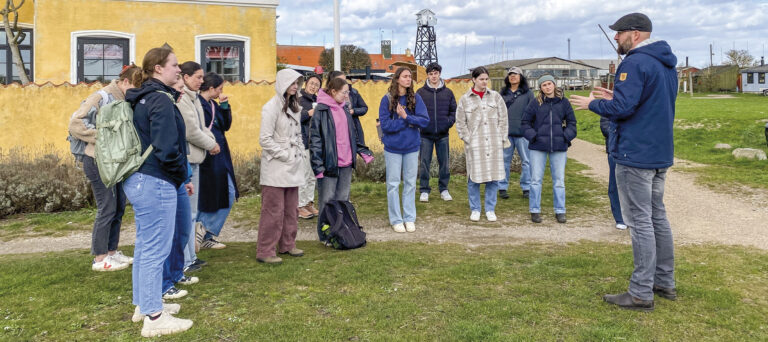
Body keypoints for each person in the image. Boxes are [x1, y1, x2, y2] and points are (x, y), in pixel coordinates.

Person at [570, 13, 678, 311]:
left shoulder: (634, 62)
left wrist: (593, 103)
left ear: (637, 34)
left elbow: (622, 109)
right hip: (659, 152)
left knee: (640, 221)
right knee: (657, 217)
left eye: (620, 33)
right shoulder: (666, 64)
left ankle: (641, 291)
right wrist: (616, 93)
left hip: (635, 153)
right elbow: (645, 102)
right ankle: (664, 281)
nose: (616, 37)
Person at [123, 46, 194, 337]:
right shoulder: (161, 100)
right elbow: (168, 149)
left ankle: (144, 305)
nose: (179, 70)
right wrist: (180, 176)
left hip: (140, 179)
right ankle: (154, 318)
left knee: (144, 247)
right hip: (157, 181)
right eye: (174, 65)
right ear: (158, 69)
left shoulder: (142, 98)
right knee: (155, 250)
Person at [69, 64, 141, 272]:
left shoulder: (124, 98)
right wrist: (104, 137)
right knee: (107, 207)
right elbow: (76, 123)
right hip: (97, 161)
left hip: (115, 163)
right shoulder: (100, 97)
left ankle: (112, 251)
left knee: (118, 206)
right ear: (125, 81)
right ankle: (99, 258)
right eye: (134, 87)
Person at [310, 77, 374, 241]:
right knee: (327, 201)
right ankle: (324, 235)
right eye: (344, 92)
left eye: (348, 93)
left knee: (343, 200)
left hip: (346, 164)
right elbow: (315, 140)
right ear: (333, 92)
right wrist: (317, 167)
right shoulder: (321, 110)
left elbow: (352, 134)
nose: (347, 96)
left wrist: (362, 151)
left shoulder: (345, 109)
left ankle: (341, 232)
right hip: (329, 165)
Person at [257, 69, 306, 264]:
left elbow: (298, 135)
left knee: (291, 208)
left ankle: (287, 244)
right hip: (276, 166)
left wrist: (299, 152)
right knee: (273, 210)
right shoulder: (271, 107)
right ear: (283, 83)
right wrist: (284, 154)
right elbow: (265, 139)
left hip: (292, 164)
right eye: (292, 82)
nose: (295, 86)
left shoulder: (295, 106)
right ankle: (265, 250)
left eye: (297, 83)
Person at [177, 61, 219, 274]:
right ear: (185, 77)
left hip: (196, 159)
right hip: (189, 159)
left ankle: (191, 256)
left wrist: (211, 139)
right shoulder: (183, 99)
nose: (202, 81)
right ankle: (186, 259)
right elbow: (191, 131)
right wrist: (211, 144)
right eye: (198, 77)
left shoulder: (192, 98)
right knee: (189, 213)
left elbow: (202, 127)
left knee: (192, 213)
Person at [379, 67, 430, 233]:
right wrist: (405, 121)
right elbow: (386, 126)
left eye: (410, 77)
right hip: (393, 149)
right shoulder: (386, 99)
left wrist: (407, 117)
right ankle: (396, 219)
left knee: (409, 184)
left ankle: (409, 218)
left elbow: (424, 121)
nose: (409, 79)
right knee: (393, 184)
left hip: (412, 147)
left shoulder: (416, 99)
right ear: (397, 79)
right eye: (405, 76)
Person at [455, 66, 509, 222]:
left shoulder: (496, 97)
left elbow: (503, 118)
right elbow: (460, 122)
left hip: (493, 143)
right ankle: (475, 209)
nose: (484, 82)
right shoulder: (465, 99)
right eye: (481, 79)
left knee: (493, 178)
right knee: (474, 178)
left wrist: (501, 137)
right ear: (474, 79)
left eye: (486, 79)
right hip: (475, 145)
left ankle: (490, 209)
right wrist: (468, 139)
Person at [521, 75, 577, 224]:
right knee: (535, 180)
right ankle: (535, 210)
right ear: (540, 88)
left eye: (549, 84)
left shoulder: (564, 103)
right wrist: (533, 136)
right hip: (538, 147)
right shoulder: (535, 103)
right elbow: (525, 123)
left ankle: (560, 210)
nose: (547, 87)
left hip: (559, 147)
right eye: (544, 85)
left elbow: (572, 123)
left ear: (554, 85)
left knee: (559, 180)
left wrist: (565, 136)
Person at [197, 72, 239, 250]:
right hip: (207, 156)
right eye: (220, 88)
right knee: (211, 196)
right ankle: (202, 231)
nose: (222, 91)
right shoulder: (196, 104)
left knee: (226, 193)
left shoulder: (213, 104)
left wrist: (225, 106)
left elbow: (226, 126)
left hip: (221, 154)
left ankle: (205, 233)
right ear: (211, 88)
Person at [416, 62, 456, 203]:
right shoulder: (420, 93)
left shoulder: (448, 93)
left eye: (436, 73)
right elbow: (415, 111)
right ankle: (424, 190)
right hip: (425, 135)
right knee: (424, 163)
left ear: (440, 74)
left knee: (444, 163)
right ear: (427, 75)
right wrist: (422, 125)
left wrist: (448, 123)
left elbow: (453, 111)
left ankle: (444, 189)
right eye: (431, 74)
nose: (433, 76)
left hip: (443, 134)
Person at [498, 67, 534, 200]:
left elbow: (533, 112)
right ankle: (502, 187)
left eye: (516, 74)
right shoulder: (503, 93)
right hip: (506, 133)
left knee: (526, 162)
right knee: (504, 161)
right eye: (510, 75)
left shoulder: (528, 93)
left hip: (523, 134)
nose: (513, 77)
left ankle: (526, 187)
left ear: (521, 77)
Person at [298, 74, 322, 219]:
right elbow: (295, 118)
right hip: (303, 141)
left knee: (313, 175)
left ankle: (308, 202)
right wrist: (309, 113)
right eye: (312, 83)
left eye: (317, 85)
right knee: (304, 174)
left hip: (315, 142)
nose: (313, 87)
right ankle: (299, 205)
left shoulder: (317, 100)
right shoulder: (298, 99)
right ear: (306, 84)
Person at [600, 116, 627, 230]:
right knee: (615, 184)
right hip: (615, 151)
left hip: (633, 151)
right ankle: (620, 218)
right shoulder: (609, 103)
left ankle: (633, 216)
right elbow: (606, 128)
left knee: (635, 185)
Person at [328, 71, 368, 145]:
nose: (343, 82)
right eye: (340, 80)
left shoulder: (353, 92)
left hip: (353, 127)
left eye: (344, 80)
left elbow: (364, 108)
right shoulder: (328, 95)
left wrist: (353, 111)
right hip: (337, 132)